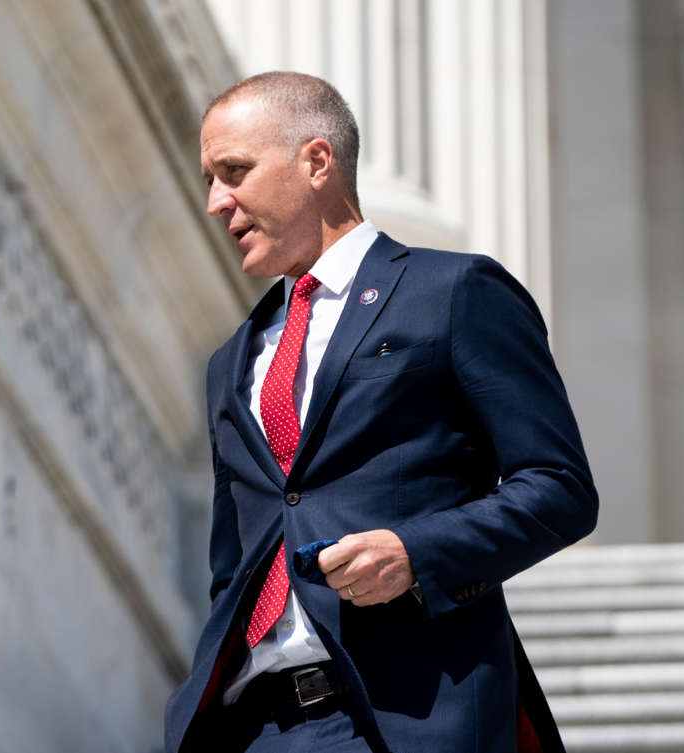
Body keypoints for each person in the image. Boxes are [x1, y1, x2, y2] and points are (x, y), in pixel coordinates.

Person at [163, 71, 597, 753]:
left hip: (404, 720)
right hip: (253, 731)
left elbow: (560, 489)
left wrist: (413, 551)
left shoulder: (453, 293)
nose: (217, 201)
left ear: (316, 162)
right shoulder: (232, 361)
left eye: (234, 171)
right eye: (211, 180)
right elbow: (234, 565)